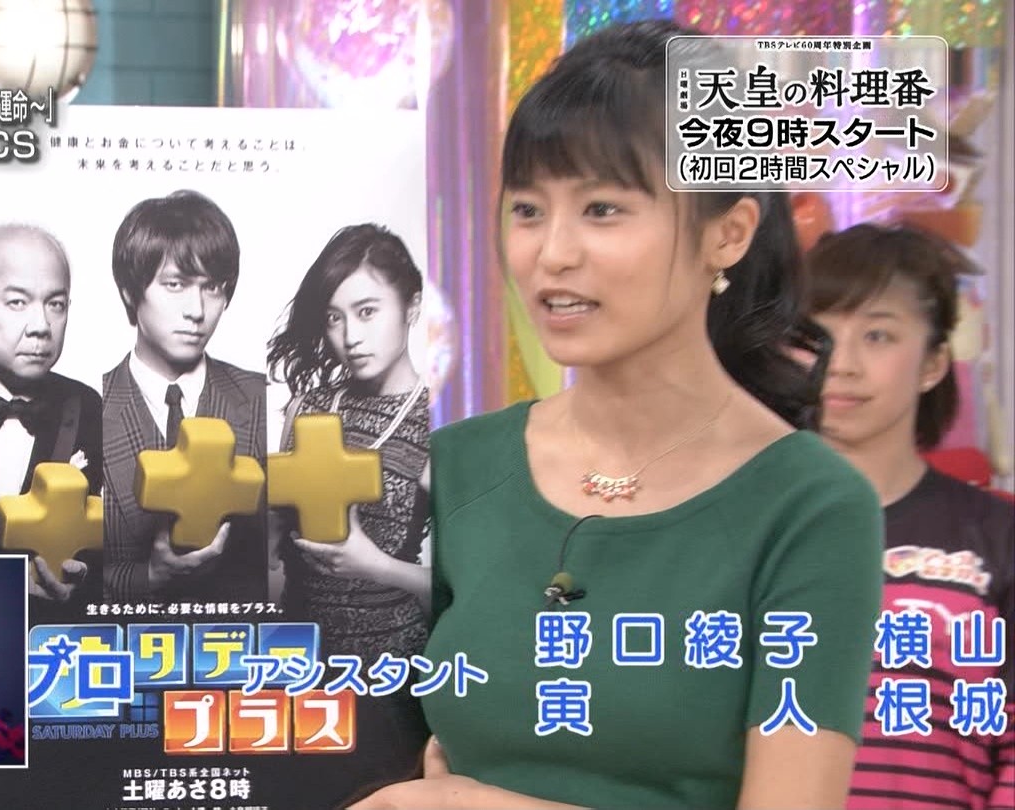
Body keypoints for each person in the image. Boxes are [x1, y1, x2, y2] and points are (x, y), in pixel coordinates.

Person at [355, 20, 883, 809]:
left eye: (602, 209)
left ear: (728, 232)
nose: (552, 253)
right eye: (527, 209)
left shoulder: (811, 506)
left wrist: (469, 805)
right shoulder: (454, 467)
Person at [804, 223, 1013, 810]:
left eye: (878, 335)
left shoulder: (995, 537)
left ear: (933, 363)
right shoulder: (736, 528)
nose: (840, 364)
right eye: (817, 334)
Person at [266, 223, 431, 660]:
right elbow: (276, 537)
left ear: (411, 307)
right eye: (334, 318)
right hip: (298, 657)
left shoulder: (438, 424)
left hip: (393, 666)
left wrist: (376, 566)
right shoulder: (307, 408)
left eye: (367, 311)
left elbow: (474, 588)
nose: (350, 338)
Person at [102, 189, 266, 603]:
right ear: (129, 292)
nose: (197, 309)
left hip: (240, 638)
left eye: (212, 287)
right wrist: (148, 577)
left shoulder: (263, 399)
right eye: (175, 284)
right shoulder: (86, 404)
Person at [0, 224, 103, 610]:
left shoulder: (88, 407)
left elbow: (102, 546)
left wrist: (80, 581)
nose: (41, 326)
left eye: (55, 304)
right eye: (17, 302)